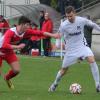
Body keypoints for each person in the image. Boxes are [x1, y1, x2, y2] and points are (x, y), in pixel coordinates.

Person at [48, 6, 100, 92]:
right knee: (64, 70)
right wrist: (57, 44)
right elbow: (59, 35)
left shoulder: (81, 20)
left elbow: (93, 24)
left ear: (74, 13)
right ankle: (54, 84)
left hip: (82, 46)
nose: (69, 18)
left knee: (92, 60)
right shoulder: (64, 25)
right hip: (70, 50)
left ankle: (98, 85)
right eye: (67, 16)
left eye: (71, 16)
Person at [0, 16, 59, 90]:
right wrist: (18, 47)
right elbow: (4, 45)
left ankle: (7, 78)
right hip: (1, 50)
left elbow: (40, 33)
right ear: (22, 24)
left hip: (8, 51)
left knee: (16, 70)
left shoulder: (26, 32)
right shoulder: (11, 32)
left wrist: (53, 35)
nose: (29, 26)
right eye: (27, 25)